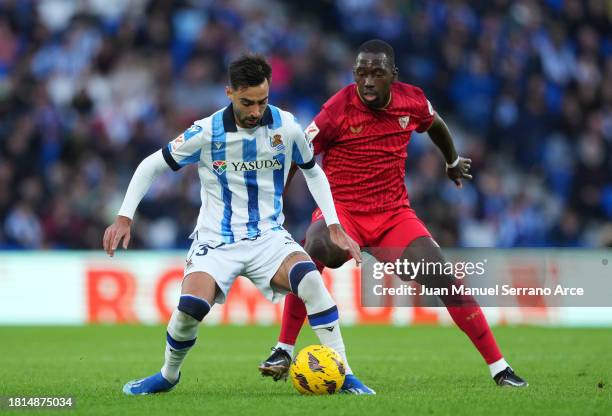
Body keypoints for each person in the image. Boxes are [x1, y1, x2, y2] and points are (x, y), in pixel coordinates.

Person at [258, 40, 527, 388]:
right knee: (313, 251)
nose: (367, 81)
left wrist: (452, 161)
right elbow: (298, 153)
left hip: (392, 215)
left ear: (392, 76)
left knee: (444, 278)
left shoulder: (411, 101)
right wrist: (275, 202)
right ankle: (283, 348)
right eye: (361, 73)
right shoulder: (337, 109)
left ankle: (500, 368)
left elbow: (436, 123)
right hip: (343, 213)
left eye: (376, 73)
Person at [103, 54, 375, 395]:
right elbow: (151, 165)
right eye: (247, 102)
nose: (255, 111)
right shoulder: (206, 132)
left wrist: (333, 224)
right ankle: (167, 375)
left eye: (262, 101)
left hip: (269, 238)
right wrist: (125, 216)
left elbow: (313, 171)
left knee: (311, 281)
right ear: (229, 93)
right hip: (217, 241)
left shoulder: (287, 127)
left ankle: (345, 373)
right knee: (190, 309)